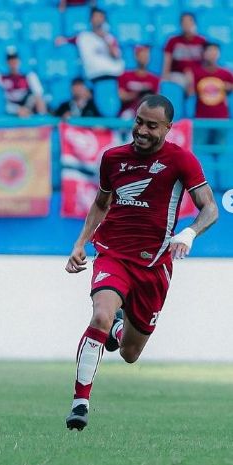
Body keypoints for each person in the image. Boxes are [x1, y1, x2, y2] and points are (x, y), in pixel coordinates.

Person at [64, 94, 218, 431]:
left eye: (152, 125)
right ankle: (80, 403)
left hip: (155, 265)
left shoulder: (181, 161)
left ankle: (120, 329)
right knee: (101, 314)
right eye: (139, 122)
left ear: (167, 128)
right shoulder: (113, 158)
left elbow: (210, 208)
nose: (142, 130)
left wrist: (189, 233)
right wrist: (80, 243)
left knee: (130, 353)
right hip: (113, 254)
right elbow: (101, 203)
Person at [186, 42, 233, 156]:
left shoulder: (226, 73)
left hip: (222, 119)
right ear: (204, 53)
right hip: (201, 118)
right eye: (210, 51)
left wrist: (229, 87)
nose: (212, 54)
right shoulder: (195, 72)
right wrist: (189, 79)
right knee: (198, 152)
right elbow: (189, 92)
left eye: (215, 52)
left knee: (221, 153)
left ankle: (219, 174)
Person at [57, 8, 124, 82]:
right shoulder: (83, 36)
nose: (98, 19)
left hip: (113, 73)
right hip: (94, 75)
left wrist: (105, 40)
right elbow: (64, 40)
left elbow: (116, 55)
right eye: (96, 17)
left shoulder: (110, 38)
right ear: (90, 19)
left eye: (101, 17)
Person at [162, 12, 207, 88]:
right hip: (178, 74)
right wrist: (165, 76)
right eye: (184, 22)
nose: (186, 24)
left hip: (197, 74)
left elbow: (206, 61)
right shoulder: (173, 40)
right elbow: (167, 60)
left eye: (189, 21)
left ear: (194, 23)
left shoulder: (202, 41)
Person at [117, 45, 160, 119]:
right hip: (128, 112)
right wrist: (139, 94)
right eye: (142, 56)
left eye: (147, 56)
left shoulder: (154, 79)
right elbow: (121, 96)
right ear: (136, 56)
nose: (144, 59)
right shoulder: (125, 75)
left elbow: (156, 101)